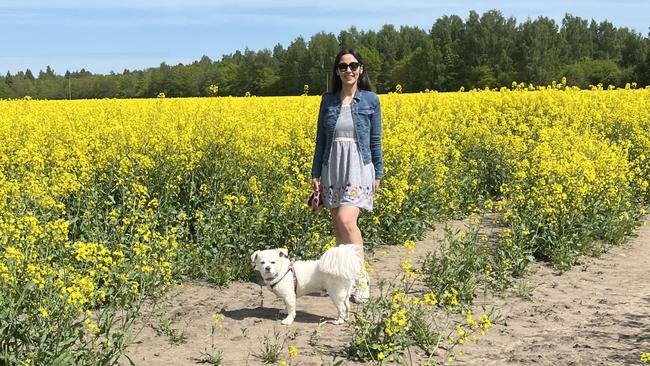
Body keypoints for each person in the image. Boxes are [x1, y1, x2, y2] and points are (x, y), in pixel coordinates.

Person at [310, 49, 384, 303]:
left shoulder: (370, 100)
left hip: (359, 166)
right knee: (339, 228)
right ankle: (346, 279)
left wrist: (378, 172)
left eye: (353, 65)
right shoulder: (327, 101)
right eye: (343, 66)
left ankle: (361, 278)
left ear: (361, 69)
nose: (349, 70)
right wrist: (315, 173)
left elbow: (375, 140)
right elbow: (321, 140)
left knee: (347, 220)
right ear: (337, 71)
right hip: (333, 165)